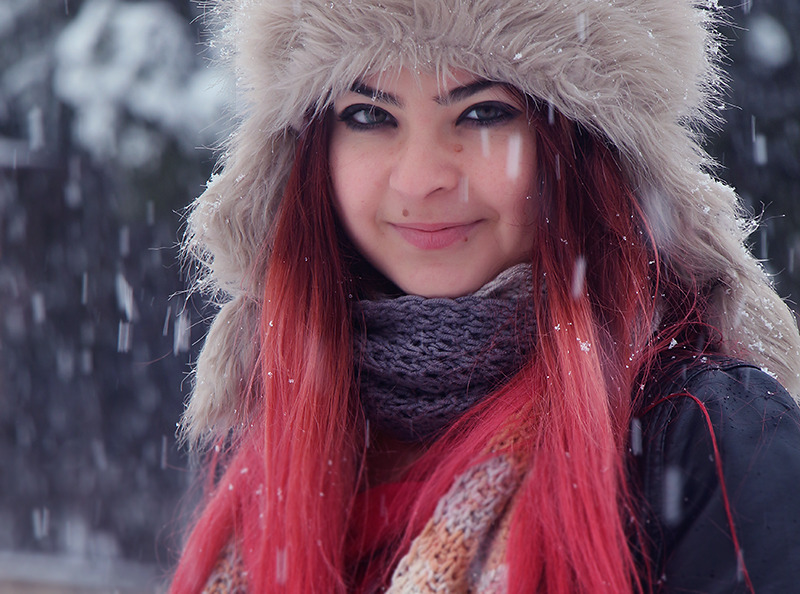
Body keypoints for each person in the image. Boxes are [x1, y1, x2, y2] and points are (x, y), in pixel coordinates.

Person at [169, 0, 800, 592]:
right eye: (369, 115)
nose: (420, 178)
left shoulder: (702, 433)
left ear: (582, 148)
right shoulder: (272, 428)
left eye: (481, 113)